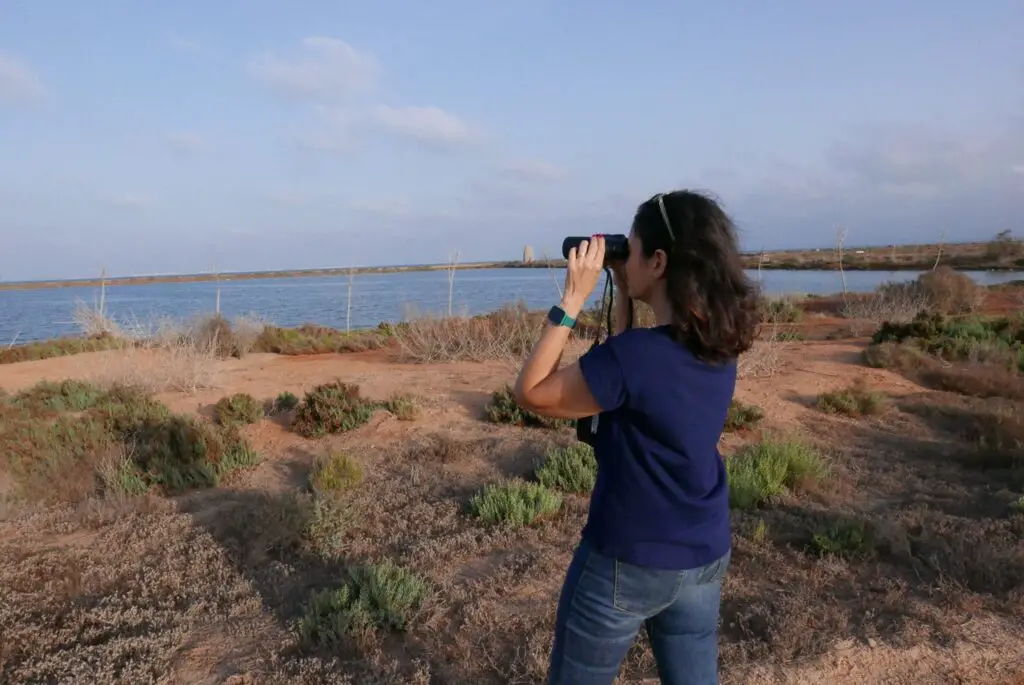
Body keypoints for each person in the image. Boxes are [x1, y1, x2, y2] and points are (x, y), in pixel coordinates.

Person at [513, 190, 760, 685]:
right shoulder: (718, 343)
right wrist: (625, 293)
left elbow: (532, 393)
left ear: (660, 260)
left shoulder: (636, 359)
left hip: (627, 559)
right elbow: (635, 379)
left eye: (633, 248)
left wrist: (571, 301)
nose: (626, 257)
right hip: (702, 553)